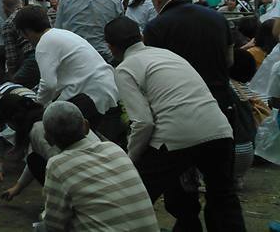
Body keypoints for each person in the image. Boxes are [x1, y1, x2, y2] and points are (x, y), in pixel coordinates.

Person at [105, 16, 245, 230]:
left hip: (175, 136)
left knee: (137, 195)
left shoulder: (125, 68)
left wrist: (129, 158)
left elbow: (142, 122)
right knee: (223, 196)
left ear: (111, 47)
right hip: (218, 129)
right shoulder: (168, 55)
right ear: (141, 36)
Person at [15, 5, 125, 145]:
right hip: (106, 89)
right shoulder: (61, 34)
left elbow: (48, 84)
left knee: (65, 139)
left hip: (90, 96)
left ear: (26, 32)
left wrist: (39, 107)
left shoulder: (44, 43)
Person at [40, 101, 158, 231]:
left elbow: (53, 225)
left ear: (48, 138)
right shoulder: (114, 148)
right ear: (86, 126)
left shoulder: (58, 165)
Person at [144, 0, 236, 125]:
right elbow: (229, 60)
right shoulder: (217, 18)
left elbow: (154, 75)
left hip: (180, 106)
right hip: (219, 100)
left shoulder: (155, 27)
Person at [55, 0, 124, 63]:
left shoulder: (66, 0)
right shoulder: (115, 2)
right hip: (105, 57)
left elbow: (58, 30)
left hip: (73, 56)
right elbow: (120, 34)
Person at [0, 0, 39, 87]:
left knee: (8, 89)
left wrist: (12, 78)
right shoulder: (36, 13)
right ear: (21, 2)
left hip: (31, 59)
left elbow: (11, 57)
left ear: (5, 8)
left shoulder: (9, 23)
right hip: (48, 54)